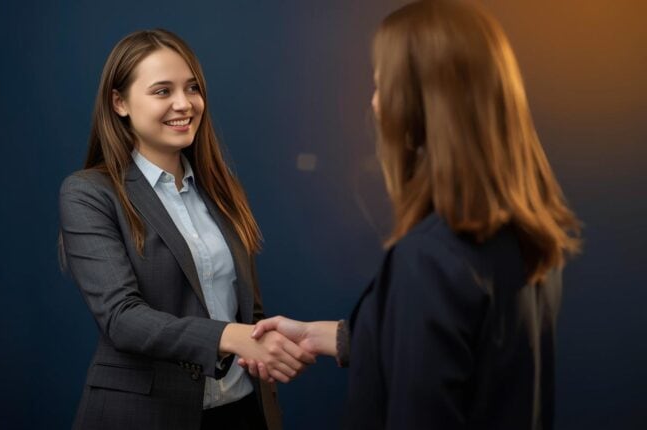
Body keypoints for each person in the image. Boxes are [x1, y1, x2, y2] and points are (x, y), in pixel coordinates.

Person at [239, 1, 581, 429]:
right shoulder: (529, 239)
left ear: (421, 104)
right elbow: (461, 347)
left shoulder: (428, 260)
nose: (376, 104)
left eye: (383, 86)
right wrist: (321, 336)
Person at [58, 29, 314, 430]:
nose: (184, 103)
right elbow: (122, 319)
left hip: (243, 410)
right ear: (119, 102)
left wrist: (268, 347)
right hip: (146, 416)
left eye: (192, 87)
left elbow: (245, 307)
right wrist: (229, 336)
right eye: (162, 91)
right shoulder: (89, 193)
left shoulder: (221, 188)